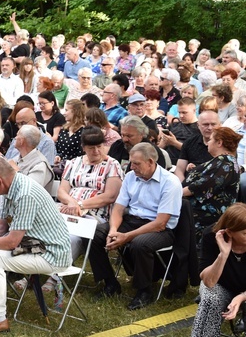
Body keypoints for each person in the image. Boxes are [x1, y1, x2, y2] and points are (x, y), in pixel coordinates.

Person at [0, 157, 71, 334]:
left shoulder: (25, 194)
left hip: (51, 253)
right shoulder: (9, 188)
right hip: (34, 245)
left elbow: (11, 241)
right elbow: (0, 227)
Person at [89, 143, 182, 310]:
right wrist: (113, 230)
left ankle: (144, 290)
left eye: (137, 163)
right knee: (96, 235)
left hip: (159, 228)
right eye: (131, 162)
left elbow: (161, 223)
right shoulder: (131, 176)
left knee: (140, 244)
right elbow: (118, 208)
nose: (132, 167)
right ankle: (110, 282)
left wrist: (127, 237)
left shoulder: (170, 182)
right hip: (132, 220)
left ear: (151, 162)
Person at [51, 127, 123, 290]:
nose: (96, 151)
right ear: (83, 147)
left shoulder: (112, 165)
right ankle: (34, 270)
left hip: (95, 213)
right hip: (68, 208)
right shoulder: (73, 163)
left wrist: (80, 205)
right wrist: (71, 203)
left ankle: (53, 277)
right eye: (91, 148)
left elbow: (110, 196)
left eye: (100, 146)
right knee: (45, 227)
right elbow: (62, 190)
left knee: (73, 236)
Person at [190, 203, 246, 337]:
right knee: (210, 299)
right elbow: (208, 282)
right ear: (230, 232)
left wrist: (241, 297)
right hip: (222, 285)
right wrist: (223, 254)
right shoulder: (212, 235)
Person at [183, 126, 242, 242]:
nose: (208, 143)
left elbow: (200, 187)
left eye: (210, 139)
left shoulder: (225, 162)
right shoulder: (222, 161)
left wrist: (173, 193)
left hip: (203, 221)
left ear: (219, 142)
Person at [55, 99, 86, 163]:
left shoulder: (84, 132)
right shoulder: (64, 129)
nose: (64, 113)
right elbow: (57, 148)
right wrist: (58, 156)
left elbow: (81, 154)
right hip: (59, 165)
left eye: (66, 110)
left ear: (75, 112)